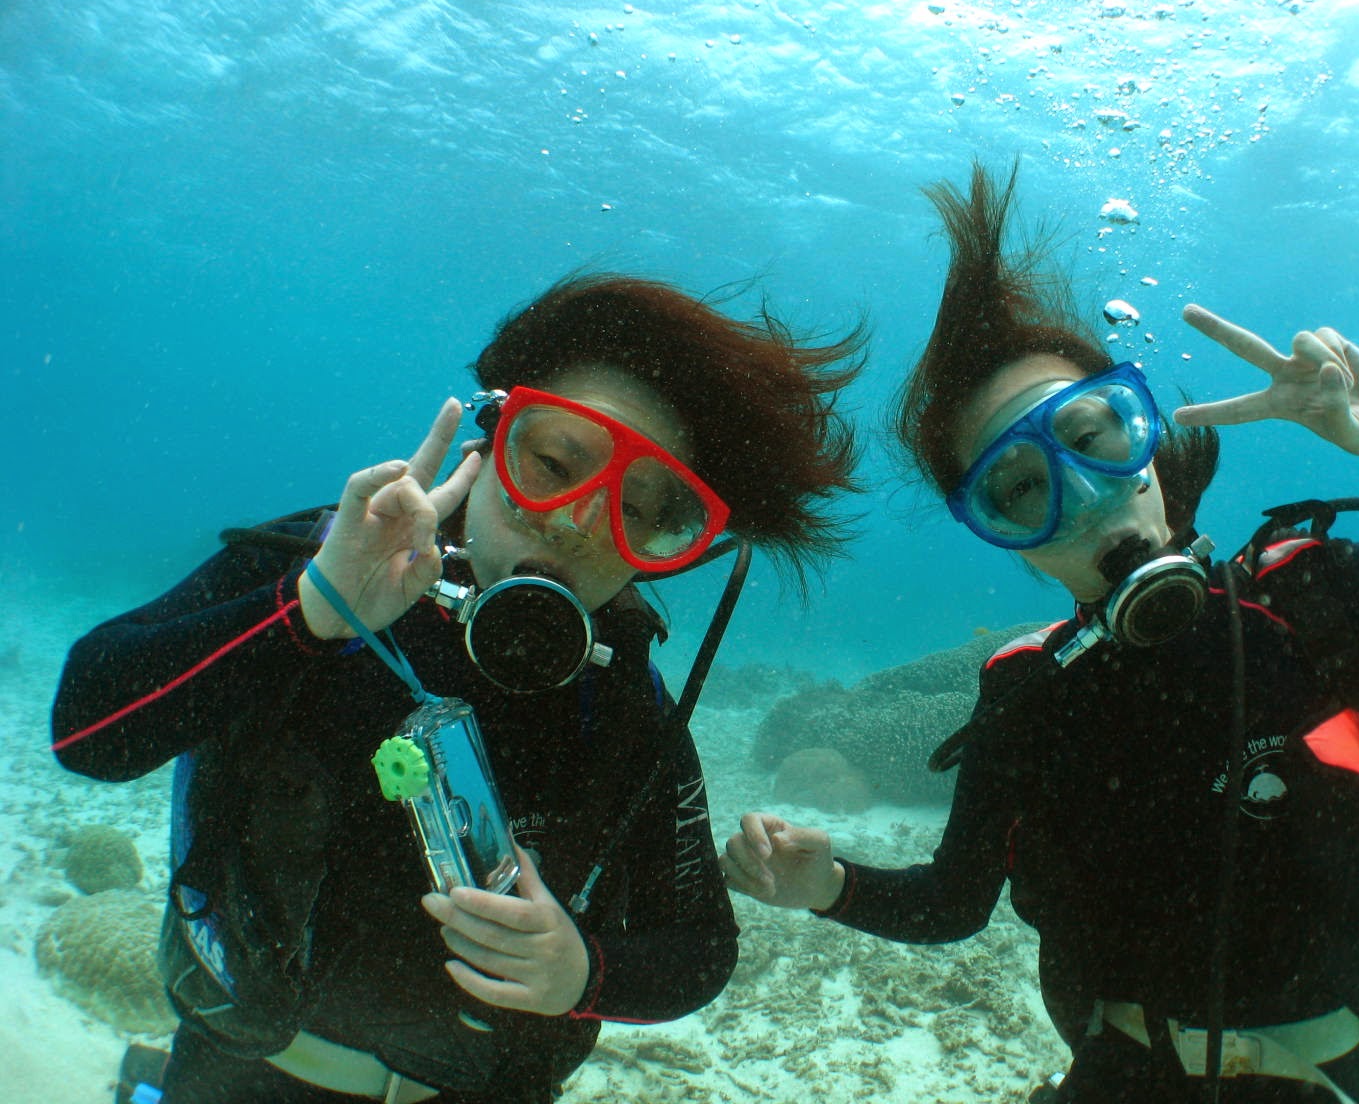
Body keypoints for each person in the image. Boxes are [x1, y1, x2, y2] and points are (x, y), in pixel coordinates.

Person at [720, 164, 1359, 1103]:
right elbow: (954, 901)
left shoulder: (1313, 602)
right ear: (1011, 542)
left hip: (1325, 1075)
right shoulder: (1029, 698)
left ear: (1144, 443)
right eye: (1022, 489)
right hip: (1123, 1072)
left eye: (1093, 437)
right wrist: (829, 886)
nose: (1082, 492)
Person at [53, 272, 865, 1104]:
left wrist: (581, 973)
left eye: (638, 508)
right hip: (242, 1077)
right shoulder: (323, 566)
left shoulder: (623, 702)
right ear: (489, 442)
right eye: (553, 462)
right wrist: (309, 611)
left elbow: (699, 948)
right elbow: (86, 734)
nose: (577, 521)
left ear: (665, 542)